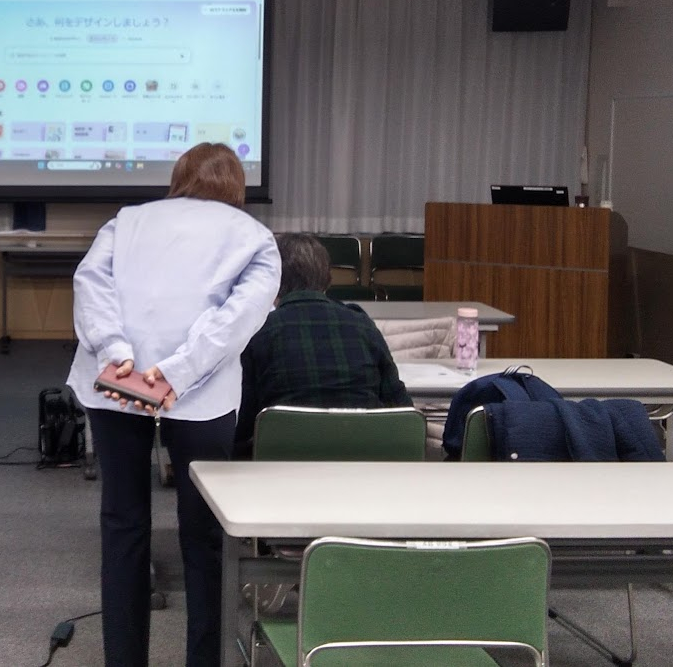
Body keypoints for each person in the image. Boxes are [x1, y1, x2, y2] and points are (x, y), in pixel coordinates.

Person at [65, 142, 281, 667]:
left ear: (179, 177)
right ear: (237, 186)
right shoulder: (255, 237)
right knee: (204, 535)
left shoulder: (127, 220)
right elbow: (235, 321)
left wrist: (117, 355)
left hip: (113, 385)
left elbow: (90, 286)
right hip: (201, 395)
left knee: (123, 525)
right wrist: (175, 373)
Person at [236, 232, 412, 454]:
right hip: (363, 459)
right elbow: (401, 409)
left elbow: (242, 422)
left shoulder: (258, 331)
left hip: (285, 461)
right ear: (328, 280)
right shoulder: (362, 324)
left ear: (272, 282)